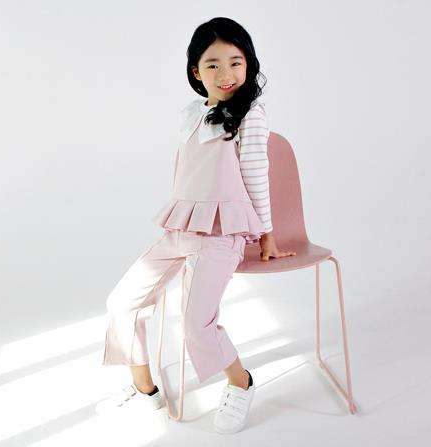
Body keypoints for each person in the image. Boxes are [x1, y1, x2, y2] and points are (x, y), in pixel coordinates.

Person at [96, 17, 296, 434]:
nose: (226, 74)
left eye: (236, 62)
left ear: (249, 64)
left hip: (221, 235)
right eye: (213, 65)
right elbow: (183, 171)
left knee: (195, 324)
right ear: (196, 71)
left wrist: (266, 235)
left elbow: (256, 175)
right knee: (123, 302)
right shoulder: (192, 113)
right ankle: (145, 391)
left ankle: (240, 383)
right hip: (180, 230)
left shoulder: (251, 115)